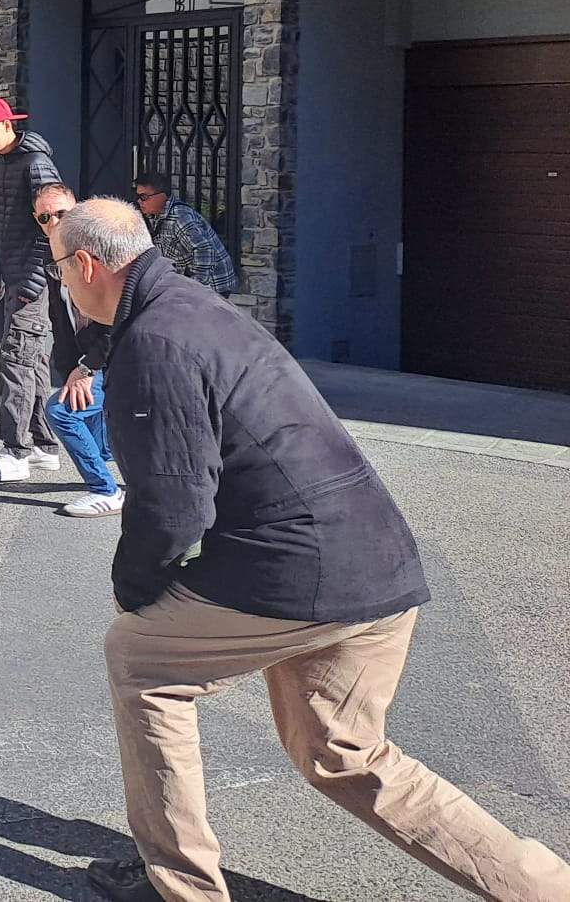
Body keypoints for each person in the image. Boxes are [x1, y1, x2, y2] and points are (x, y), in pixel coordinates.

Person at [49, 199, 570, 902]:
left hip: (299, 568)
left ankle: (182, 888)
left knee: (139, 658)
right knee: (346, 754)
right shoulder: (194, 307)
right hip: (375, 560)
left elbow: (173, 505)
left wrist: (135, 588)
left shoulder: (156, 342)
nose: (61, 287)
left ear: (87, 264)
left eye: (59, 271)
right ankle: (545, 889)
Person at [0, 95, 63, 478]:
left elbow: (54, 224)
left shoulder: (36, 164)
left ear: (7, 126)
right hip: (13, 274)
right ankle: (41, 443)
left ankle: (16, 451)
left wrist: (32, 278)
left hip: (30, 277)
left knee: (17, 361)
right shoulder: (2, 164)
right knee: (33, 359)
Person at [33, 181, 119, 514]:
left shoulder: (101, 253)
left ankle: (106, 490)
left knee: (60, 412)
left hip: (125, 355)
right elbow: (62, 317)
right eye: (44, 218)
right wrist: (70, 367)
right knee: (93, 424)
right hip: (93, 358)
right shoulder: (52, 256)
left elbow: (118, 318)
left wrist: (86, 369)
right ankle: (108, 458)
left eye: (61, 214)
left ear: (77, 210)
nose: (53, 222)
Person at [133, 171, 237, 298]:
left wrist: (196, 286)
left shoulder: (179, 217)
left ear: (162, 196)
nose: (139, 201)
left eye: (144, 197)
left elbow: (204, 249)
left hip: (214, 285)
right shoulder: (155, 216)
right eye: (138, 197)